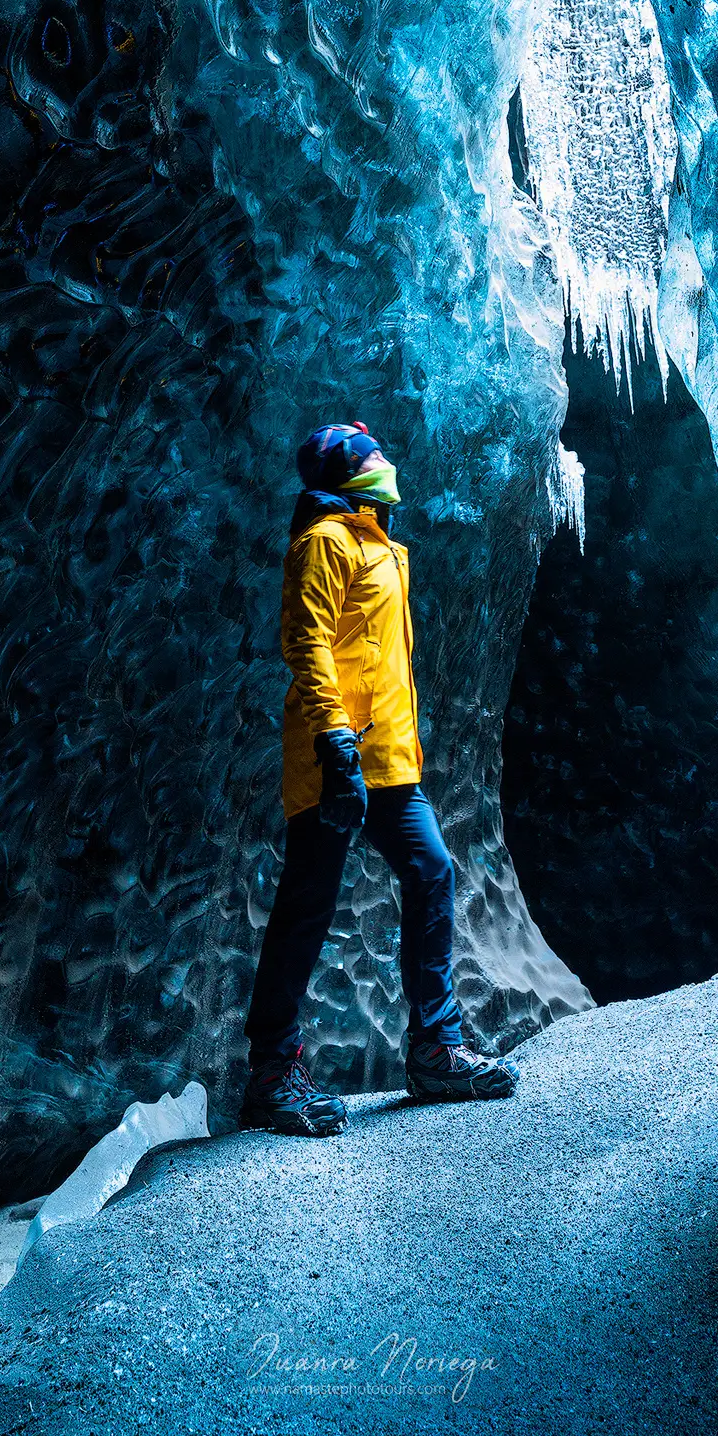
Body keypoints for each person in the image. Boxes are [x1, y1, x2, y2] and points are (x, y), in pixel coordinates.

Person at [239, 420, 521, 1137]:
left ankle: (435, 1049)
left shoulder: (378, 544)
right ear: (343, 472)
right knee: (307, 907)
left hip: (390, 763)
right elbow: (305, 641)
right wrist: (334, 739)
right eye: (369, 456)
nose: (383, 463)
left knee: (431, 874)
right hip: (338, 760)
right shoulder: (325, 542)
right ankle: (272, 1073)